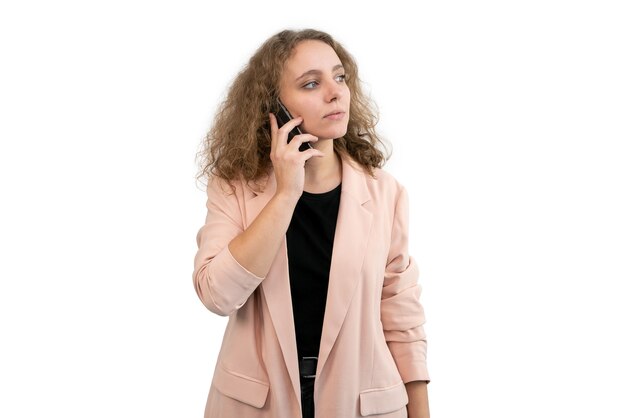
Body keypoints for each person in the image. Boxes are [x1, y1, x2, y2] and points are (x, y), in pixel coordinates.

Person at [192, 28, 430, 418]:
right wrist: (285, 194)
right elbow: (217, 295)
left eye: (339, 77)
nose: (335, 92)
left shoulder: (385, 193)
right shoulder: (235, 187)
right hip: (257, 405)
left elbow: (403, 319)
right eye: (311, 83)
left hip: (361, 403)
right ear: (273, 107)